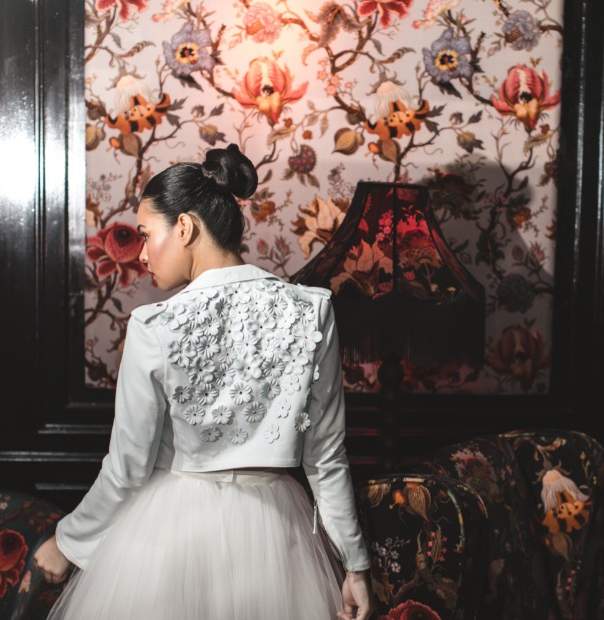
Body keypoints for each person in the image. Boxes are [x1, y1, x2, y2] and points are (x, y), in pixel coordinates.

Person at [34, 144, 375, 620]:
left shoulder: (155, 324)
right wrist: (355, 567)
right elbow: (326, 456)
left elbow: (128, 468)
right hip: (278, 535)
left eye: (147, 234)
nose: (143, 255)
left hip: (174, 535)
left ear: (186, 227)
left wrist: (67, 542)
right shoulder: (311, 310)